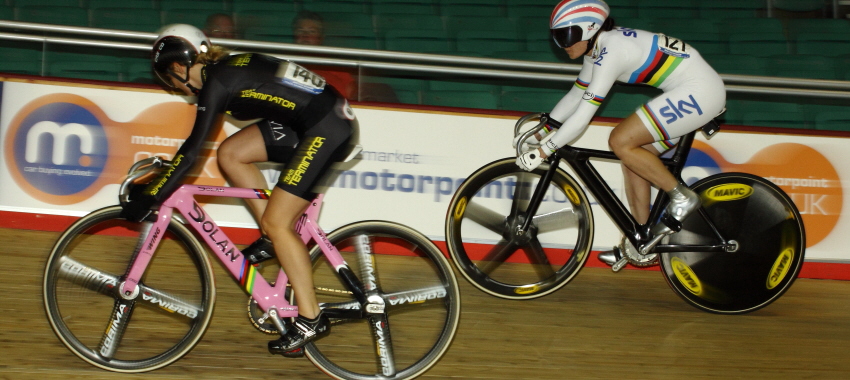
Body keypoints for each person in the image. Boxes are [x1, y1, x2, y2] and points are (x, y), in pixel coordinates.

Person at [124, 24, 358, 355]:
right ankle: (273, 237)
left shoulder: (218, 81)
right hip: (313, 120)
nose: (172, 84)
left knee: (280, 222)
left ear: (180, 65)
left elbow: (192, 152)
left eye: (169, 75)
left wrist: (152, 193)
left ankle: (310, 318)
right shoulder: (224, 72)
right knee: (231, 154)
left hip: (326, 127)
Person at [514, 0, 725, 269]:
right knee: (636, 159)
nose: (563, 44)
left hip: (700, 91)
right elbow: (576, 95)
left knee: (620, 140)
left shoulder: (611, 51)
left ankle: (682, 197)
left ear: (589, 29)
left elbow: (583, 115)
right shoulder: (598, 48)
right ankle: (642, 239)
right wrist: (545, 129)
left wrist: (546, 148)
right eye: (557, 36)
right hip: (694, 90)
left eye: (567, 35)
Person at [291, 11, 358, 99]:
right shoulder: (285, 60)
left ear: (321, 37)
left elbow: (351, 92)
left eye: (312, 32)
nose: (305, 36)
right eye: (300, 31)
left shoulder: (333, 62)